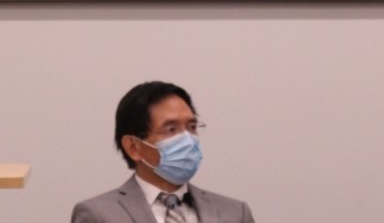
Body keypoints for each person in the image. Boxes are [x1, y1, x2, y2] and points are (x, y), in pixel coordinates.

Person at [73, 81, 255, 223]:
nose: (188, 140)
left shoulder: (235, 213)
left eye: (192, 127)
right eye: (171, 129)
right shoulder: (98, 214)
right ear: (133, 147)